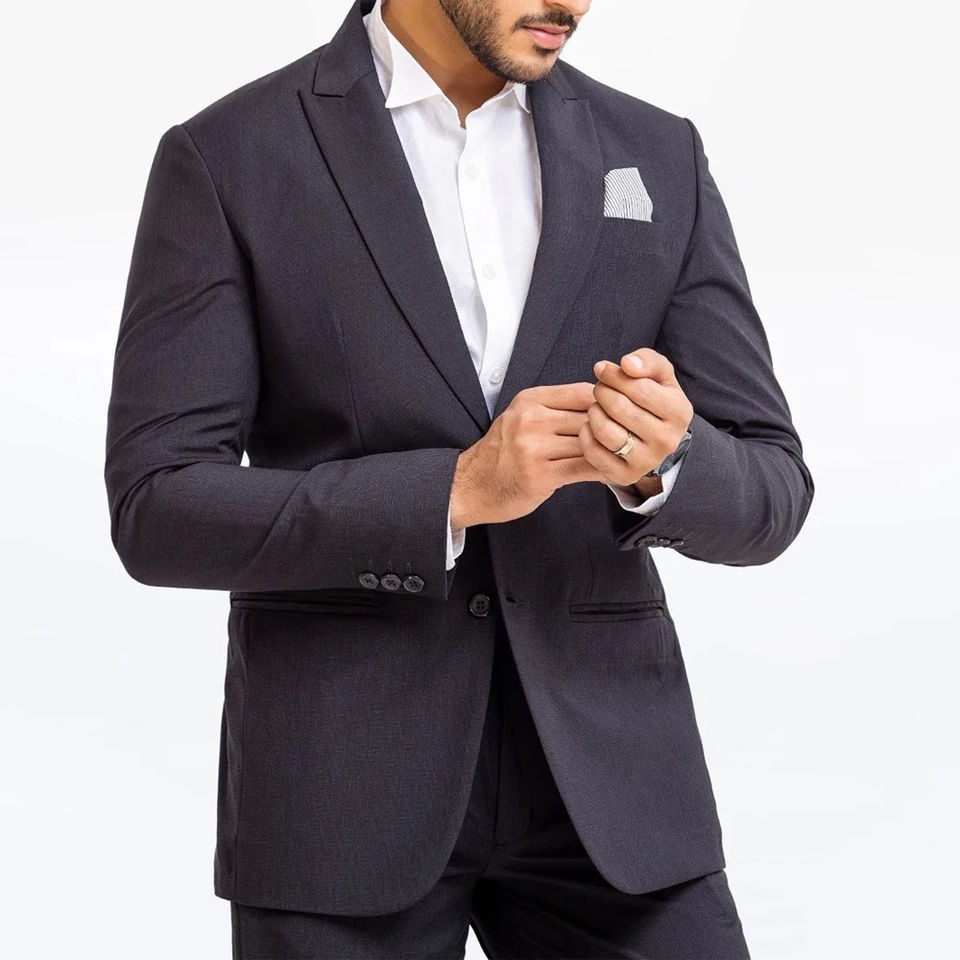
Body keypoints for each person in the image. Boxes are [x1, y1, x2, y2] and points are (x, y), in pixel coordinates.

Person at [104, 0, 814, 956]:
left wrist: (669, 463)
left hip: (617, 790)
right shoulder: (232, 156)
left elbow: (774, 488)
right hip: (343, 791)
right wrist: (452, 492)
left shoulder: (657, 151)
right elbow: (157, 506)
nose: (574, 3)